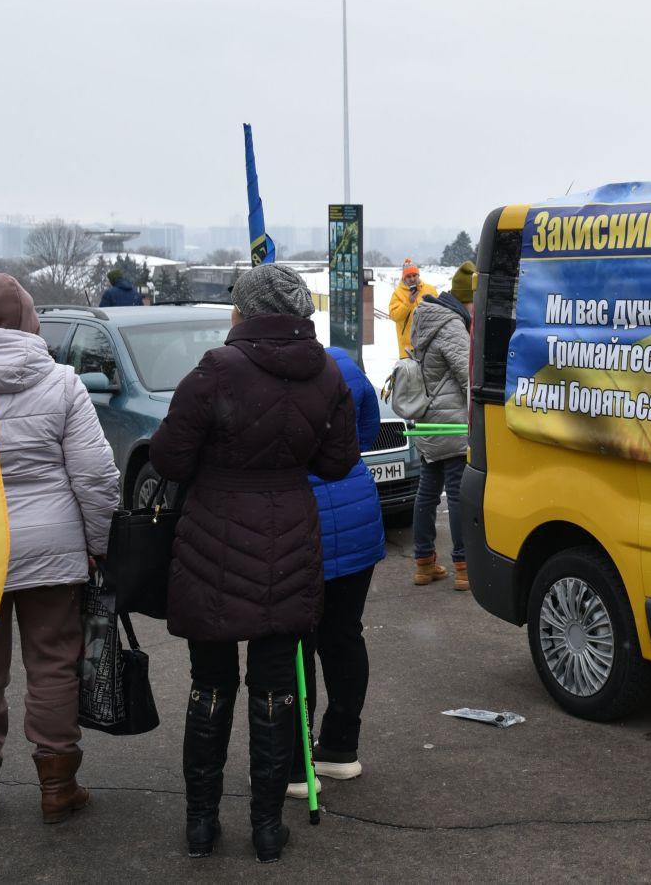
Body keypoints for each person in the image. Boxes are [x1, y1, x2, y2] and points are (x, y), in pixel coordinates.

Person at [149, 263, 359, 863]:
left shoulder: (215, 369)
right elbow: (339, 461)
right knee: (274, 689)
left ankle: (200, 824)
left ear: (243, 309)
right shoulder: (325, 372)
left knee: (209, 683)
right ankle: (267, 828)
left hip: (212, 536)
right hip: (289, 539)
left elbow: (168, 458)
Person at [0, 275, 120, 826]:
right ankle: (57, 787)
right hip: (51, 548)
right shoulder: (62, 383)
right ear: (27, 318)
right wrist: (95, 544)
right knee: (52, 664)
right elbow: (95, 476)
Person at [285, 345, 386, 799]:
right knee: (345, 634)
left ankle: (293, 758)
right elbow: (365, 434)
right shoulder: (342, 363)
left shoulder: (263, 369)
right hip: (356, 512)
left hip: (298, 520)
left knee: (292, 643)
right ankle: (341, 747)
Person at [408, 291, 470, 590]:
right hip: (453, 423)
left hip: (427, 422)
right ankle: (464, 566)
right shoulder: (451, 325)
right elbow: (469, 377)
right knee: (457, 494)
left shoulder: (422, 321)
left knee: (427, 493)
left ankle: (424, 563)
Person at [387, 259, 438, 359]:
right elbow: (394, 316)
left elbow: (439, 311)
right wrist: (408, 303)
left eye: (414, 275)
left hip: (429, 345)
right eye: (408, 276)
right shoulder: (398, 293)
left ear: (418, 275)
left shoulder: (430, 289)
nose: (412, 279)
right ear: (404, 278)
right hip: (407, 348)